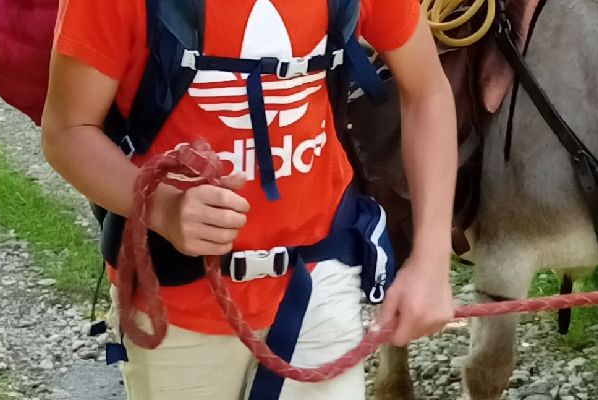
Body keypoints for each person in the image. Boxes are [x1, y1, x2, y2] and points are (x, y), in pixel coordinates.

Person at [39, 0, 459, 398]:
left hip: (319, 278)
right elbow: (67, 132)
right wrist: (164, 209)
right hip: (177, 298)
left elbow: (428, 93)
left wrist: (432, 260)